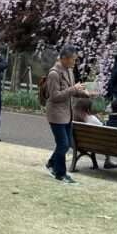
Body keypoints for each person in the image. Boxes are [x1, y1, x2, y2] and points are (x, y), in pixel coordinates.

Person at [45, 44, 89, 184]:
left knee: (67, 143)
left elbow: (72, 90)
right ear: (64, 58)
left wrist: (85, 93)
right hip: (56, 114)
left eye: (75, 60)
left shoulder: (69, 70)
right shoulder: (54, 73)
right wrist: (73, 89)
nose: (74, 62)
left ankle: (51, 163)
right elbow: (55, 96)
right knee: (63, 144)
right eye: (73, 59)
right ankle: (61, 174)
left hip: (67, 113)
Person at [72, 97, 117, 170]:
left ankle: (96, 164)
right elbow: (104, 128)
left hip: (79, 144)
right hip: (97, 145)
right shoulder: (90, 118)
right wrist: (99, 118)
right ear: (88, 108)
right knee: (107, 136)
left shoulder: (73, 118)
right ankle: (107, 161)